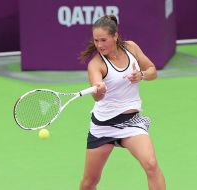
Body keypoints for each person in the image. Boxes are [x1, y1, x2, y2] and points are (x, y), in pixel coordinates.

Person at [79, 15, 166, 190]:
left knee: (151, 164)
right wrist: (100, 90)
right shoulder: (96, 64)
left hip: (131, 122)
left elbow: (152, 71)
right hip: (103, 126)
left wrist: (140, 75)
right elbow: (97, 96)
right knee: (90, 182)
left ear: (115, 36)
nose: (99, 45)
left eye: (103, 40)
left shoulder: (131, 48)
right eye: (96, 40)